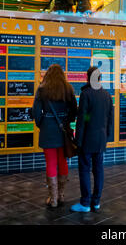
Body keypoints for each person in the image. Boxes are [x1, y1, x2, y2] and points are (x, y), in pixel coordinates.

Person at [32, 64, 77, 208]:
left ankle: (53, 199)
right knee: (62, 161)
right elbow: (74, 110)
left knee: (50, 162)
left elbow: (36, 112)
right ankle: (62, 195)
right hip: (63, 130)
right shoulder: (68, 88)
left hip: (47, 130)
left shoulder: (42, 89)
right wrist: (67, 122)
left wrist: (42, 124)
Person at [71, 66, 114, 213]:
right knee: (99, 170)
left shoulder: (86, 94)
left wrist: (78, 141)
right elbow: (110, 119)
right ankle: (96, 202)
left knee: (84, 170)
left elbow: (82, 120)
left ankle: (85, 203)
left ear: (87, 78)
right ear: (100, 78)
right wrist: (106, 137)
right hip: (100, 140)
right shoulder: (107, 95)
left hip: (87, 140)